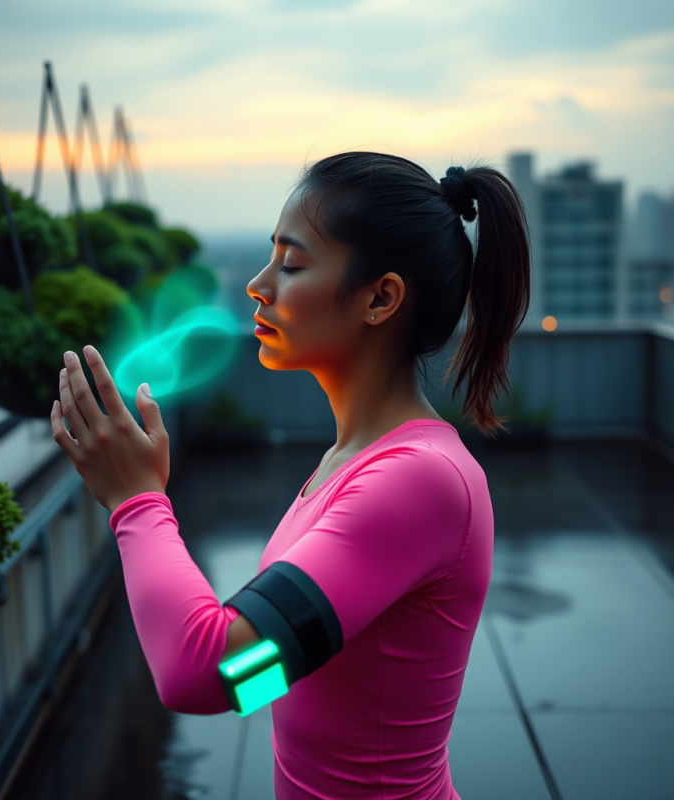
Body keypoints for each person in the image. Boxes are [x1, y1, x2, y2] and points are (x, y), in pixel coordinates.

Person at [50, 151, 530, 800]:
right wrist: (274, 655)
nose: (257, 284)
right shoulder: (352, 462)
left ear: (380, 298)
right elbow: (260, 672)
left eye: (292, 263)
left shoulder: (420, 485)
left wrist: (137, 503)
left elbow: (204, 677)